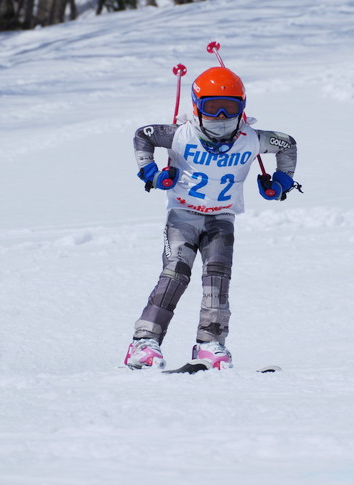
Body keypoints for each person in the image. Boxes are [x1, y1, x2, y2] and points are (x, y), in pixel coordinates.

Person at [124, 66, 299, 370]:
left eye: (229, 108)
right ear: (196, 107)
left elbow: (287, 144)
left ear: (242, 108)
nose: (221, 117)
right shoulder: (180, 134)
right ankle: (143, 342)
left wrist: (282, 182)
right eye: (212, 108)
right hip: (183, 215)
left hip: (221, 219)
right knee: (175, 274)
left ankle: (211, 344)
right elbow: (143, 136)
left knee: (217, 280)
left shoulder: (251, 139)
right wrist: (151, 173)